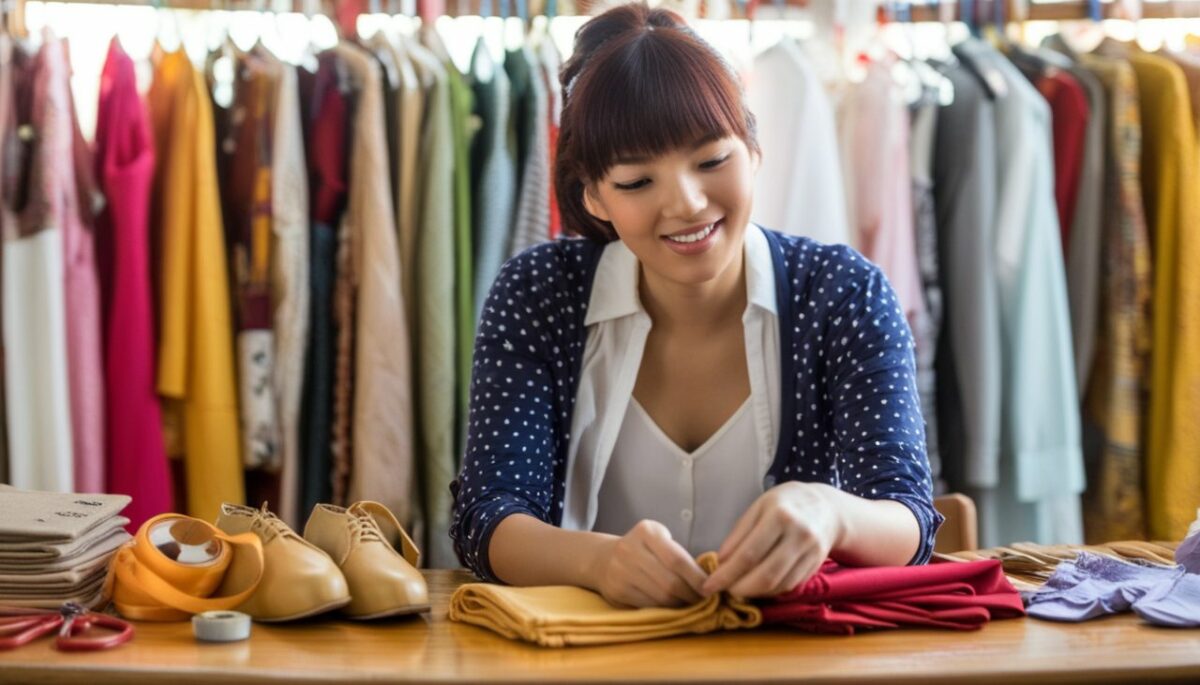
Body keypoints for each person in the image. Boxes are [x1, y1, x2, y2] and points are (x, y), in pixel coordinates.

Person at [450, 2, 942, 609]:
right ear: (594, 197)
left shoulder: (842, 294)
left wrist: (830, 511)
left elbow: (911, 522)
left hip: (796, 659)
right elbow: (487, 517)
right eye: (636, 182)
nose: (685, 203)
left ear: (754, 150)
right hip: (581, 656)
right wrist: (599, 561)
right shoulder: (538, 295)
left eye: (712, 161)